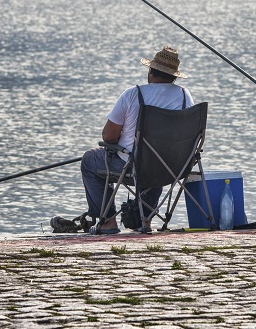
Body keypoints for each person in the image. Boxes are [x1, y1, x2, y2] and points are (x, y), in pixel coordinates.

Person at [52, 46, 194, 235]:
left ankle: (108, 220)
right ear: (174, 77)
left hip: (134, 167)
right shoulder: (185, 96)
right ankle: (145, 219)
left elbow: (108, 137)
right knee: (156, 158)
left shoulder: (133, 94)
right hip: (173, 168)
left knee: (90, 160)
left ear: (150, 71)